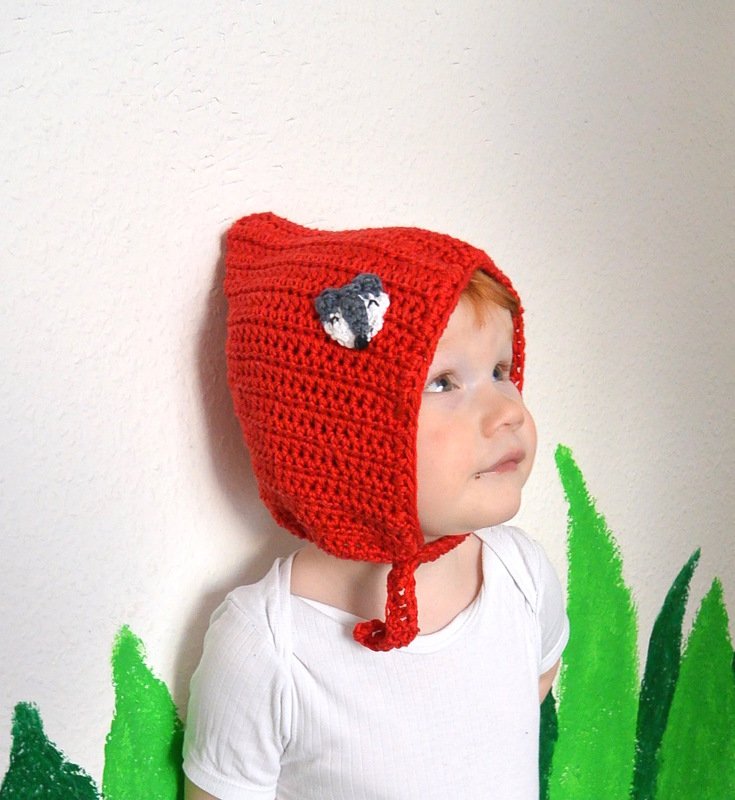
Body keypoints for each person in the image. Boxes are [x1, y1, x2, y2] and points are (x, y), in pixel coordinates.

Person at [183, 212, 569, 800]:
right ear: (340, 430)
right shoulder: (267, 648)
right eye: (444, 383)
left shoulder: (522, 577)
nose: (509, 411)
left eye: (500, 371)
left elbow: (523, 701)